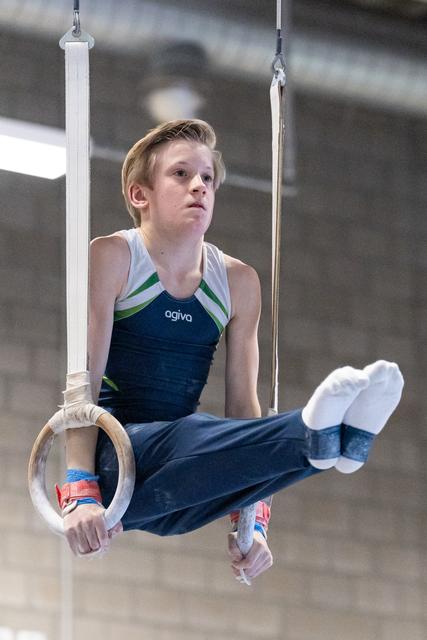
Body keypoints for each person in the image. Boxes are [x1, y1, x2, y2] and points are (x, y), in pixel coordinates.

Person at [58, 119, 403, 582]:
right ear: (141, 195)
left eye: (207, 178)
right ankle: (311, 433)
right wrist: (80, 487)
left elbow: (243, 407)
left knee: (204, 443)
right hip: (115, 461)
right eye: (180, 174)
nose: (199, 185)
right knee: (194, 433)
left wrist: (253, 521)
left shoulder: (237, 282)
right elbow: (85, 384)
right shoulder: (115, 257)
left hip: (177, 489)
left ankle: (332, 444)